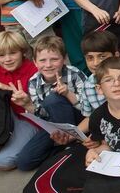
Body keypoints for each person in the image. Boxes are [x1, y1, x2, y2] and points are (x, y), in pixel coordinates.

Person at [11, 35, 86, 171]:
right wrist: (28, 104)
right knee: (24, 162)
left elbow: (89, 109)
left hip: (79, 122)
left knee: (53, 98)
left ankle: (73, 144)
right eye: (42, 60)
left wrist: (68, 94)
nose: (48, 65)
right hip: (54, 125)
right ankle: (64, 150)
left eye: (54, 59)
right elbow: (44, 117)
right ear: (35, 62)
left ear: (63, 59)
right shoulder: (34, 82)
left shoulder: (75, 74)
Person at [0, 31, 38, 170]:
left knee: (4, 162)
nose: (7, 59)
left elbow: (38, 104)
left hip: (30, 119)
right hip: (9, 116)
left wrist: (5, 87)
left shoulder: (34, 69)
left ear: (23, 52)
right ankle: (1, 143)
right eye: (1, 55)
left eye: (12, 53)